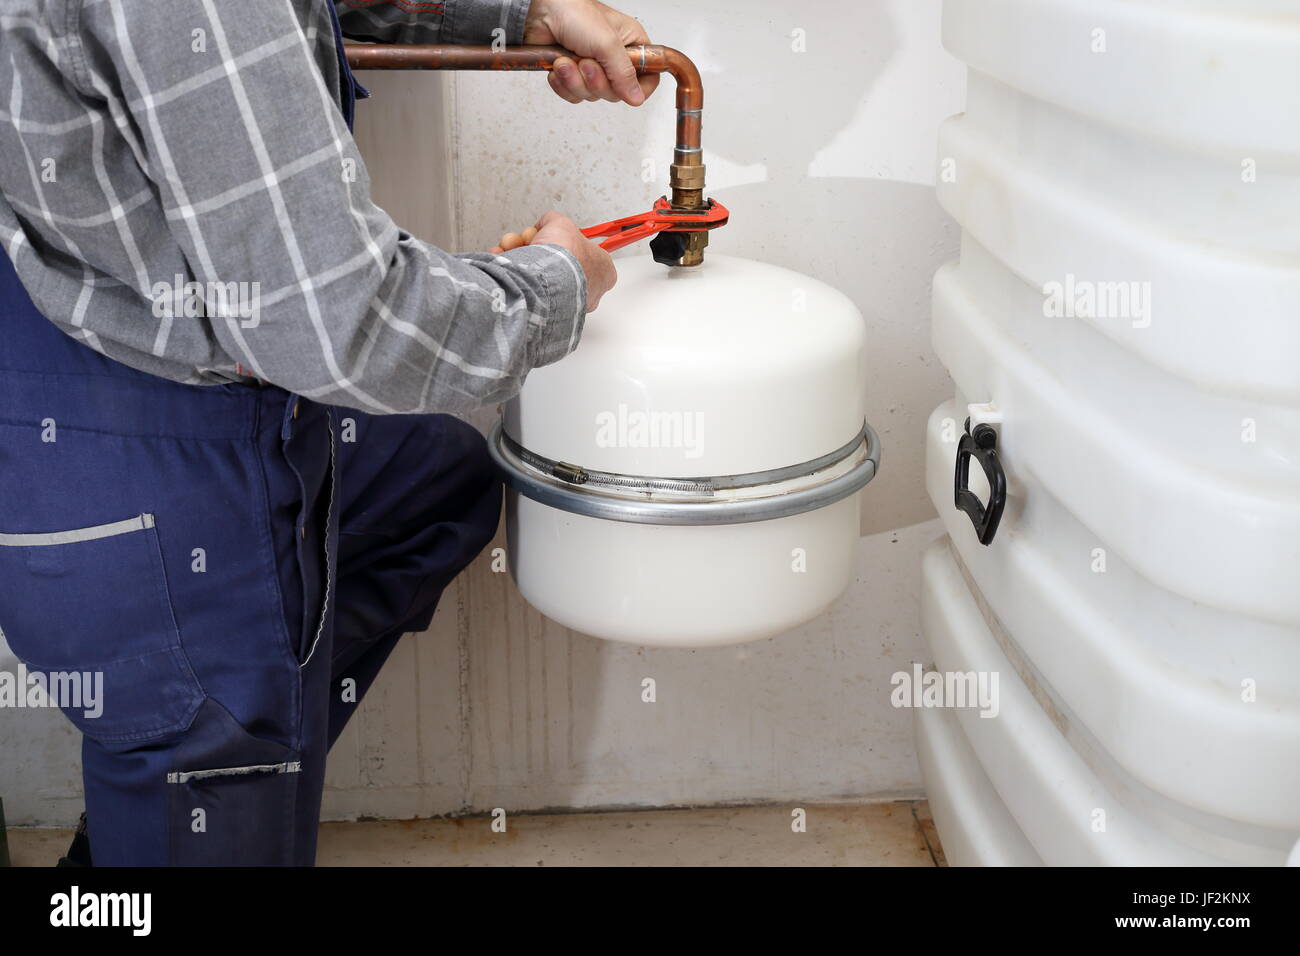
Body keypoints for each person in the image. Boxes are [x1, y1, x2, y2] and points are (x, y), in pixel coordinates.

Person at [0, 0, 657, 866]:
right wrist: (551, 286)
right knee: (209, 743)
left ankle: (165, 810)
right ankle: (190, 785)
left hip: (49, 376)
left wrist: (515, 15)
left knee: (432, 481)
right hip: (166, 454)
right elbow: (339, 325)